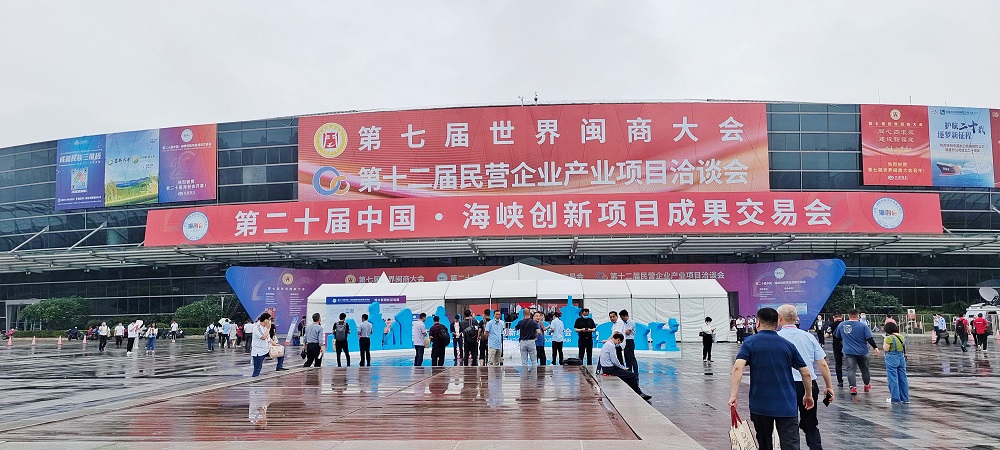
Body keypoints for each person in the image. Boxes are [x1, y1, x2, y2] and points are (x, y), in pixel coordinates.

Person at [728, 307, 814, 450]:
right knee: (790, 445)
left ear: (757, 322)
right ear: (777, 322)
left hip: (760, 404)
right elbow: (805, 372)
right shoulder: (787, 345)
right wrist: (808, 395)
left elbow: (738, 367)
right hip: (787, 404)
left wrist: (733, 395)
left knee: (764, 444)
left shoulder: (750, 343)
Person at [778, 305, 834, 450]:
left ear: (779, 318)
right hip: (808, 385)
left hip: (784, 386)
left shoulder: (777, 338)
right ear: (796, 318)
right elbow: (822, 363)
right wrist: (829, 387)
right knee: (810, 422)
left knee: (787, 424)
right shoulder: (808, 337)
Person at [833, 309, 880, 395]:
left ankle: (853, 387)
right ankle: (866, 385)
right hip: (862, 352)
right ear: (858, 316)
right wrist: (875, 347)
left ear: (848, 315)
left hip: (848, 351)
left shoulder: (842, 325)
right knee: (865, 370)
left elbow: (837, 337)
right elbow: (869, 338)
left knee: (851, 370)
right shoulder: (863, 326)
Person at [598, 332, 652, 401]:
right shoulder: (611, 346)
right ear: (618, 339)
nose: (619, 343)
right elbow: (614, 360)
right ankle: (639, 393)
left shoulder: (607, 344)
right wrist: (622, 367)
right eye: (620, 342)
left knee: (627, 376)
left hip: (606, 367)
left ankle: (635, 392)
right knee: (632, 375)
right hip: (610, 369)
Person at [883, 322, 910, 404]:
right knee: (903, 378)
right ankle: (905, 398)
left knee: (893, 378)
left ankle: (895, 398)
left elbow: (886, 349)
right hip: (901, 357)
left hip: (892, 357)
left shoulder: (889, 338)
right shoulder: (902, 336)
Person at [827, 314, 845, 386]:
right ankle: (852, 383)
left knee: (838, 363)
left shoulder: (831, 325)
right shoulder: (845, 324)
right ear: (842, 316)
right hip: (846, 345)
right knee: (850, 363)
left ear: (834, 317)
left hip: (836, 345)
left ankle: (840, 381)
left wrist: (831, 335)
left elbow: (826, 335)